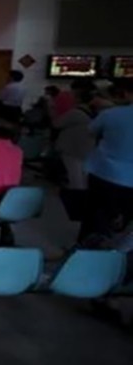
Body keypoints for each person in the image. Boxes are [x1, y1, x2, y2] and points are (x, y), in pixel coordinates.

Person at [78, 82, 133, 246]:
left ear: (127, 94)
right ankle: (118, 251)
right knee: (126, 220)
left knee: (95, 213)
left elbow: (90, 131)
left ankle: (86, 247)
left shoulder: (111, 114)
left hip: (105, 171)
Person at [53, 90, 95, 190]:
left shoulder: (75, 113)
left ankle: (76, 194)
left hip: (72, 147)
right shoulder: (92, 112)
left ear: (78, 99)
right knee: (83, 173)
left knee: (74, 173)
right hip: (87, 145)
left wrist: (52, 111)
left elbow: (56, 124)